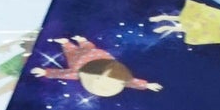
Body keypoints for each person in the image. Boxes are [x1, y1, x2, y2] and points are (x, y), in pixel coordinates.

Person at [31, 36, 162, 97]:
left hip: (87, 59)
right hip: (90, 58)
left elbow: (130, 81)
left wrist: (147, 85)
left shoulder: (79, 73)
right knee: (78, 49)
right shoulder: (79, 72)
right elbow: (62, 73)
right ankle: (77, 41)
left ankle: (69, 42)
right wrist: (45, 72)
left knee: (73, 51)